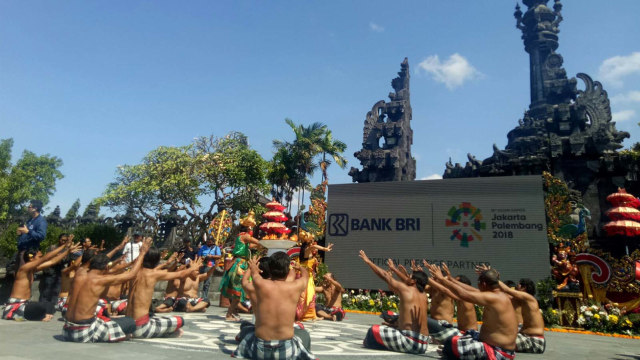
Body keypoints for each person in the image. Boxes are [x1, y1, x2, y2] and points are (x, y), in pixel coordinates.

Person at [63, 238, 151, 343]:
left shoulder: (79, 273)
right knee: (130, 322)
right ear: (106, 268)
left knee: (109, 319)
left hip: (66, 329)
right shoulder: (100, 280)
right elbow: (131, 275)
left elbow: (100, 260)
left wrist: (118, 248)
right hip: (83, 333)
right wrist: (142, 253)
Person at [232, 252, 315, 360]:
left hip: (259, 349)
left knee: (246, 329)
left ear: (270, 269)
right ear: (287, 270)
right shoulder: (295, 286)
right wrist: (300, 267)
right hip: (286, 350)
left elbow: (247, 279)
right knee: (304, 335)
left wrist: (252, 267)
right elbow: (305, 277)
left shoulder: (260, 284)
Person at [426, 263, 518, 360]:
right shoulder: (499, 295)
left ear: (483, 284)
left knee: (450, 345)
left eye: (478, 283)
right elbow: (471, 290)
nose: (477, 286)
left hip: (498, 353)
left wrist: (441, 279)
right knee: (453, 342)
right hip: (499, 349)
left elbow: (464, 294)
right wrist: (450, 279)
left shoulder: (493, 298)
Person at [359, 251, 430, 355]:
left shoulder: (406, 289)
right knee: (390, 327)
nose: (407, 278)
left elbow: (385, 276)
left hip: (410, 342)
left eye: (410, 277)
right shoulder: (424, 295)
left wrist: (368, 261)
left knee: (373, 331)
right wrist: (394, 269)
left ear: (413, 281)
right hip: (424, 344)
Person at [126, 247, 200, 338]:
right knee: (179, 320)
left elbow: (156, 269)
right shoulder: (153, 274)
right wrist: (193, 268)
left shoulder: (133, 273)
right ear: (157, 260)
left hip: (128, 325)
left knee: (157, 318)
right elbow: (180, 274)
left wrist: (168, 262)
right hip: (141, 328)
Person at [3, 241, 80, 321]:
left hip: (25, 303)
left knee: (50, 307)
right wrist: (64, 247)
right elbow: (45, 258)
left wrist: (67, 251)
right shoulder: (24, 268)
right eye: (39, 257)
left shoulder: (32, 269)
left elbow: (52, 261)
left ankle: (38, 316)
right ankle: (39, 317)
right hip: (16, 305)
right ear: (31, 257)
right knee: (42, 307)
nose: (40, 258)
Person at [219, 211, 261, 321]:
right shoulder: (245, 236)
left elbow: (252, 245)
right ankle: (229, 314)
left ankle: (232, 312)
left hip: (239, 263)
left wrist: (258, 247)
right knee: (238, 291)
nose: (252, 229)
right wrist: (264, 243)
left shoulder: (240, 237)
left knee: (238, 291)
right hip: (240, 265)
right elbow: (256, 242)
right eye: (251, 227)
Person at [499, 278, 546, 354]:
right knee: (497, 335)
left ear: (524, 288)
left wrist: (492, 277)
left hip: (534, 342)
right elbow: (503, 294)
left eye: (519, 284)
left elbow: (507, 290)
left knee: (497, 340)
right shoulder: (522, 300)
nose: (516, 285)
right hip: (526, 337)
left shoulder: (529, 298)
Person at [296, 229, 333, 321]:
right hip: (305, 276)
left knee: (311, 295)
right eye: (312, 239)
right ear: (308, 240)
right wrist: (325, 249)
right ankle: (305, 315)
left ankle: (312, 315)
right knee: (307, 295)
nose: (313, 241)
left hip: (308, 276)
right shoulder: (307, 249)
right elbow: (314, 247)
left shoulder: (306, 249)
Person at [38, 233, 71, 306]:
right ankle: (42, 308)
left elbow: (68, 260)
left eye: (65, 241)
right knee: (46, 291)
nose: (63, 242)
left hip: (59, 273)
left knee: (56, 292)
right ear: (59, 240)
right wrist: (56, 256)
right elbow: (47, 258)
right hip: (50, 272)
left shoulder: (66, 249)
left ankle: (51, 308)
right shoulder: (52, 248)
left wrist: (64, 255)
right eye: (62, 240)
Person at [197, 235, 221, 300]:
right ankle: (197, 295)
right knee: (198, 280)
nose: (209, 243)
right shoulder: (203, 247)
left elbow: (219, 256)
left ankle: (204, 297)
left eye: (210, 242)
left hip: (210, 265)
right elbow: (199, 255)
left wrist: (211, 256)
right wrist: (202, 257)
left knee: (207, 282)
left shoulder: (216, 248)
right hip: (202, 265)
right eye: (208, 241)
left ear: (212, 241)